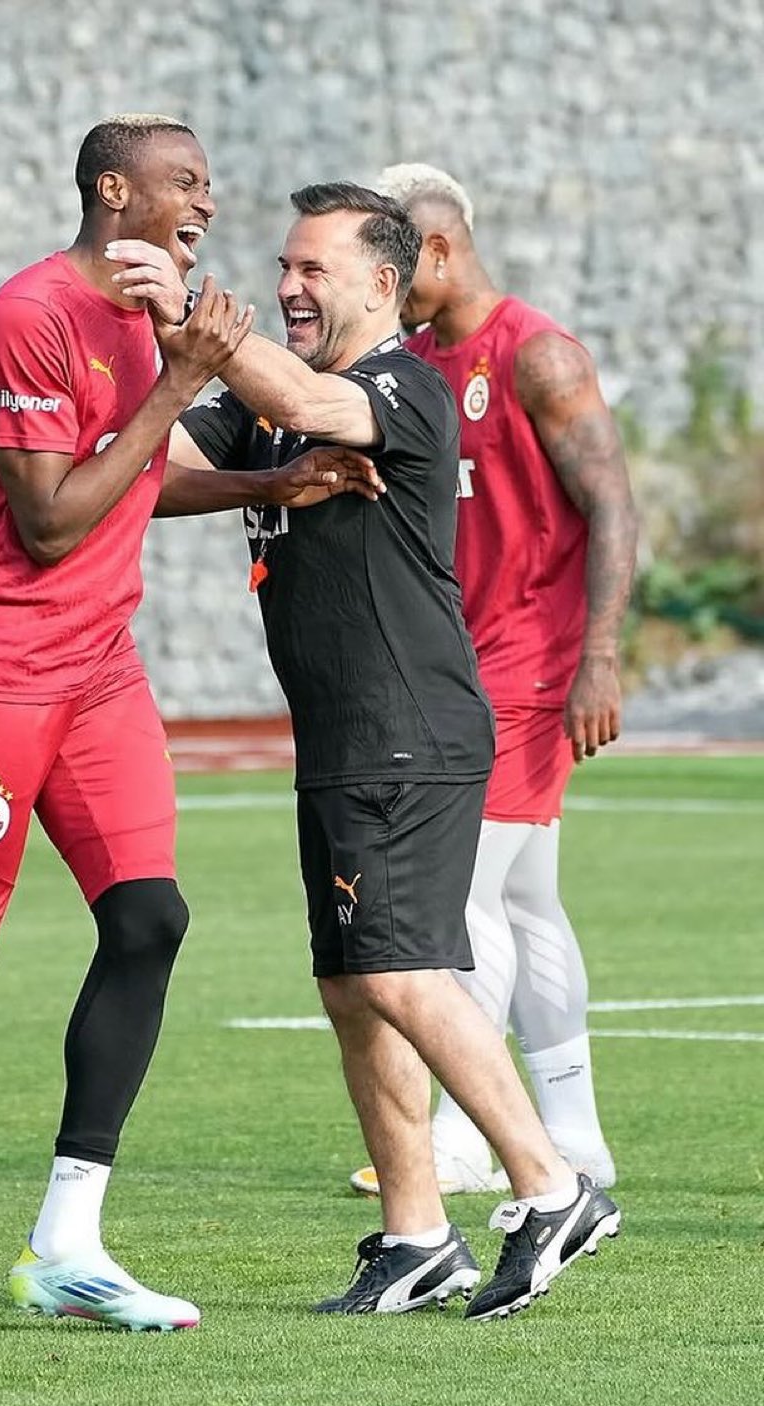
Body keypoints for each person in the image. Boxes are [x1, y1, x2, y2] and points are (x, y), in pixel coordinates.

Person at [0, 113, 305, 1341]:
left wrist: (267, 481)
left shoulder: (140, 314)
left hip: (95, 668)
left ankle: (67, 1247)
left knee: (150, 921)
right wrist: (183, 384)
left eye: (209, 181)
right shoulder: (29, 313)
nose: (207, 200)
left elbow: (129, 472)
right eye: (185, 180)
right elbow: (47, 522)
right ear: (112, 191)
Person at [107, 181, 621, 1320]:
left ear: (384, 284)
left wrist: (191, 315)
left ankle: (553, 1186)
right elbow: (144, 467)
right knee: (351, 987)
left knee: (397, 970)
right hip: (341, 737)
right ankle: (417, 1234)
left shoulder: (402, 388)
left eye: (313, 270)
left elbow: (299, 395)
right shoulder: (270, 406)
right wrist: (100, 386)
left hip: (409, 732)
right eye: (283, 268)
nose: (289, 287)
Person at [342, 164, 638, 1200]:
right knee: (526, 898)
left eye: (392, 264)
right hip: (455, 664)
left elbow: (614, 504)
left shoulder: (537, 354)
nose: (381, 286)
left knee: (459, 895)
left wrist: (600, 655)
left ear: (437, 248)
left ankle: (470, 1137)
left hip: (527, 668)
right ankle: (576, 1137)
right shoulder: (415, 362)